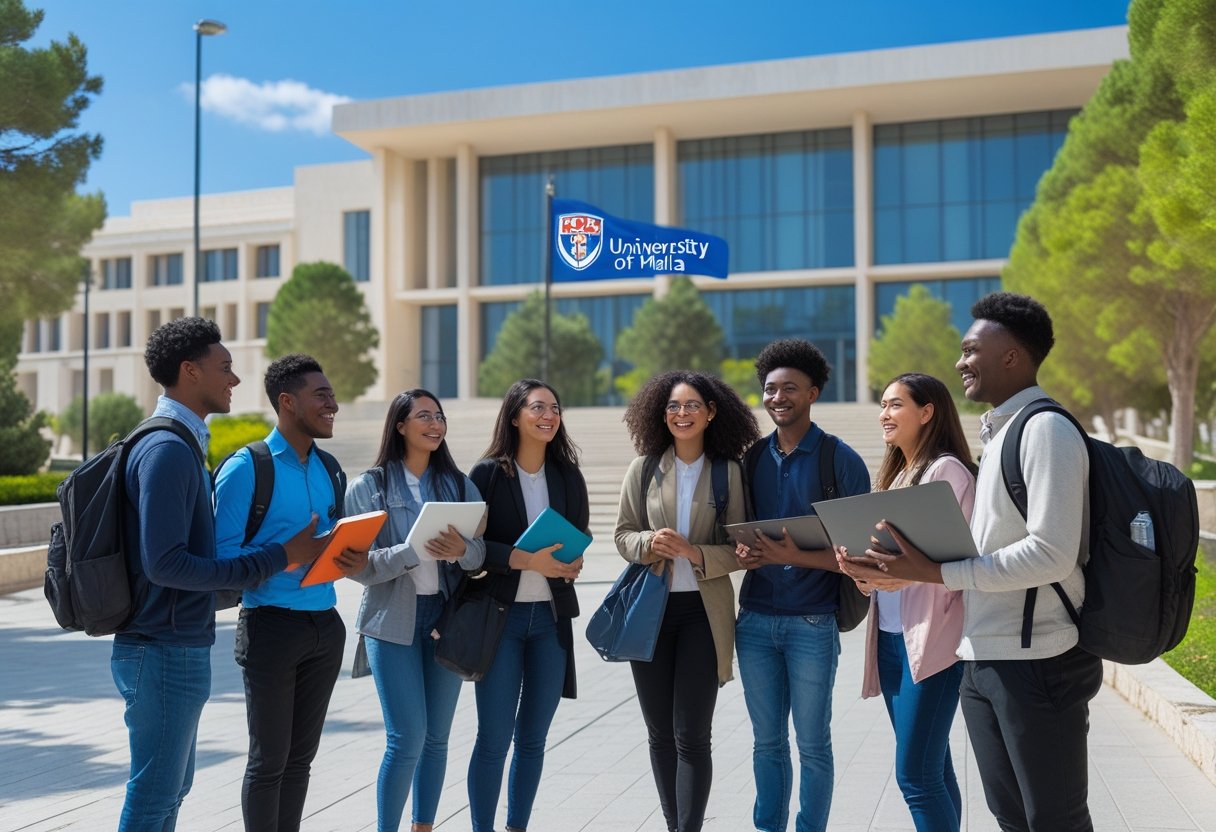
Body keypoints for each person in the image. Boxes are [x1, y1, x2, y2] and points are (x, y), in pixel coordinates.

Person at [845, 292, 1102, 831]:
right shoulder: (1000, 435)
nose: (960, 362)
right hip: (984, 654)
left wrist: (935, 573)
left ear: (1011, 354)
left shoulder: (1046, 429)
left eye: (970, 350)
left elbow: (1051, 553)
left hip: (1039, 659)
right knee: (1010, 814)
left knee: (1053, 817)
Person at [113, 318, 325, 831]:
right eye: (224, 368)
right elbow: (165, 564)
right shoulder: (167, 451)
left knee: (168, 791)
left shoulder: (179, 444)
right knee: (155, 793)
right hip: (162, 646)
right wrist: (279, 556)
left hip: (173, 643)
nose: (234, 379)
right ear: (190, 372)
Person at [213, 353, 368, 832]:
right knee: (268, 763)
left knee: (300, 763)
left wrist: (350, 558)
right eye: (321, 396)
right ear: (287, 402)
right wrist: (289, 553)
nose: (333, 405)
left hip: (325, 625)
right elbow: (220, 567)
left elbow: (329, 547)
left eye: (333, 395)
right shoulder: (246, 469)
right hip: (269, 627)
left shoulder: (331, 469)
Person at [733, 338, 871, 832]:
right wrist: (744, 554)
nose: (777, 398)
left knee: (813, 744)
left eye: (789, 388)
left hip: (813, 624)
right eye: (769, 389)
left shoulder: (842, 461)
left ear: (813, 393)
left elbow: (864, 559)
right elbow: (735, 537)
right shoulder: (748, 461)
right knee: (766, 743)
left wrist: (795, 556)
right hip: (752, 623)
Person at [614, 371, 758, 832]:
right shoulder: (643, 468)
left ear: (711, 413)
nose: (682, 413)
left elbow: (741, 551)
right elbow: (622, 535)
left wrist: (695, 553)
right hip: (650, 613)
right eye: (674, 406)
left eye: (692, 405)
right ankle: (675, 823)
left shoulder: (728, 472)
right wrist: (649, 544)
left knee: (692, 735)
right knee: (659, 735)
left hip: (703, 615)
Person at [835, 373, 976, 832]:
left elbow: (958, 566)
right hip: (894, 642)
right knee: (933, 771)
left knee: (915, 775)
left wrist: (893, 577)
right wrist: (863, 576)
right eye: (882, 404)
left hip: (933, 643)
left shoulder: (947, 472)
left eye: (895, 404)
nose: (884, 414)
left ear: (927, 411)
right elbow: (891, 571)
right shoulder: (896, 475)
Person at [344, 389, 486, 832]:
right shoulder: (369, 487)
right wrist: (410, 551)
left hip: (445, 621)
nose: (435, 424)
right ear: (400, 425)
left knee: (437, 739)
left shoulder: (459, 485)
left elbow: (481, 556)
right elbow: (359, 568)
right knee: (406, 738)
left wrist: (463, 550)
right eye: (424, 416)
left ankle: (423, 827)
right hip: (392, 624)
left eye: (440, 416)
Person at [466, 379, 588, 832]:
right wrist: (521, 560)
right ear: (515, 414)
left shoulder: (567, 475)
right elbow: (471, 550)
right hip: (502, 619)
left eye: (555, 408)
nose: (549, 416)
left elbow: (577, 540)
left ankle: (517, 826)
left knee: (533, 739)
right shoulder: (487, 475)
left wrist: (571, 564)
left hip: (550, 622)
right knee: (494, 739)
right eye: (538, 407)